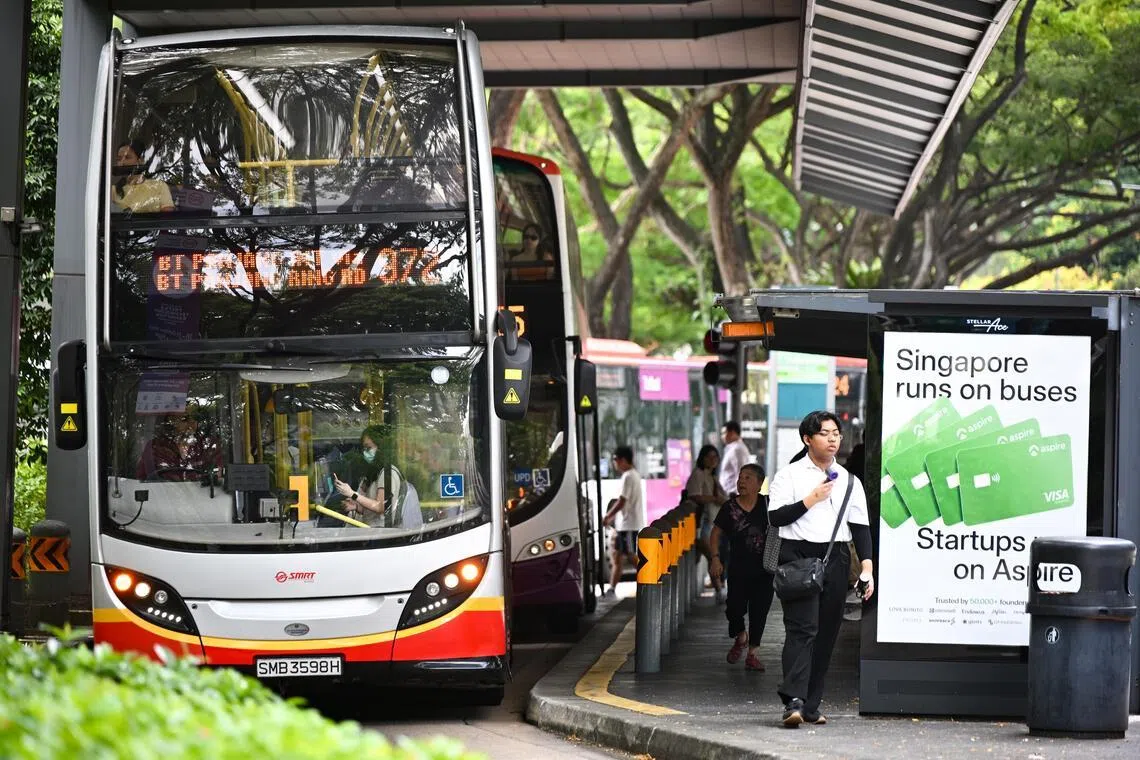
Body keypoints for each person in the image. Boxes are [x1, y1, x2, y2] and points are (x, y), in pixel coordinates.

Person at [768, 410, 874, 728]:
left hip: (836, 559)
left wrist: (867, 569)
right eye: (825, 433)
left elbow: (861, 529)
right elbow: (775, 518)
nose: (832, 439)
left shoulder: (849, 481)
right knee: (802, 630)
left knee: (827, 633)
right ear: (807, 439)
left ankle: (812, 704)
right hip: (798, 557)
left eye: (836, 433)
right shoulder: (788, 476)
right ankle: (794, 701)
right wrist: (810, 499)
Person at [709, 463, 774, 671]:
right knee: (734, 607)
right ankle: (740, 636)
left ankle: (752, 654)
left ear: (759, 483)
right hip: (737, 568)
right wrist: (715, 558)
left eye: (747, 478)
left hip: (764, 570)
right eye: (740, 478)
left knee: (760, 612)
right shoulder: (729, 507)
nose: (741, 482)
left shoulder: (768, 505)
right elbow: (715, 533)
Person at [331, 425, 421, 529]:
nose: (365, 452)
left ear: (381, 447)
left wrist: (352, 494)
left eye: (369, 448)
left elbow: (380, 507)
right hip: (373, 531)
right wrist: (356, 506)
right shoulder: (376, 473)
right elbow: (374, 511)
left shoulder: (388, 473)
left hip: (382, 534)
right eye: (363, 448)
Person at [687, 444, 728, 603]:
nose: (713, 460)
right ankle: (718, 589)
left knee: (712, 555)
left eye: (715, 457)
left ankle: (718, 588)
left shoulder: (713, 476)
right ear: (702, 458)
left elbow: (723, 497)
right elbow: (694, 496)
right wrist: (714, 499)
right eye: (709, 457)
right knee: (712, 555)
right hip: (702, 523)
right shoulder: (698, 474)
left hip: (713, 523)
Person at [602, 445, 645, 595]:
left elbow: (622, 501)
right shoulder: (633, 475)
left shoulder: (629, 476)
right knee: (618, 556)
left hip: (629, 524)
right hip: (626, 524)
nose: (614, 463)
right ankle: (612, 588)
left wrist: (608, 516)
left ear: (623, 460)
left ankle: (650, 578)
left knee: (631, 555)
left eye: (615, 460)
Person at [136, 409, 222, 481]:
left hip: (205, 497)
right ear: (171, 421)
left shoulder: (209, 445)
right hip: (163, 497)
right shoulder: (155, 447)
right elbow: (142, 480)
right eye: (185, 419)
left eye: (195, 418)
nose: (192, 423)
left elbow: (219, 475)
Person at [111, 141, 175, 214]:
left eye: (127, 157)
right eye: (119, 159)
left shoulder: (159, 186)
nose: (121, 163)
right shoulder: (112, 191)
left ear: (140, 161)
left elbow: (167, 220)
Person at [718, 421, 751, 498]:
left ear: (732, 433)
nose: (722, 436)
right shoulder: (732, 448)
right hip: (727, 495)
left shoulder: (737, 449)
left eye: (724, 433)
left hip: (732, 495)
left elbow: (740, 472)